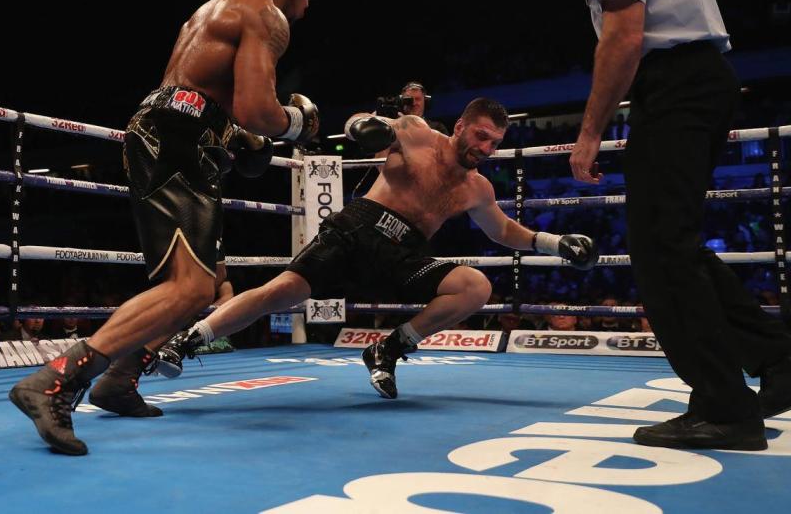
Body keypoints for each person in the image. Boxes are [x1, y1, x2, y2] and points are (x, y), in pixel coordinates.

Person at [9, 0, 321, 455]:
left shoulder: (219, 7)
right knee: (194, 289)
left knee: (208, 277)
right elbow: (254, 109)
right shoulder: (267, 15)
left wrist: (236, 139)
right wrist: (298, 123)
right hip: (178, 142)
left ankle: (120, 378)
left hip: (171, 131)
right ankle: (56, 381)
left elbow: (203, 97)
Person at [544, 0, 791, 450]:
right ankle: (777, 358)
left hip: (678, 84)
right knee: (673, 243)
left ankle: (723, 406)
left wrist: (590, 132)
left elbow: (624, 37)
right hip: (696, 83)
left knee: (659, 252)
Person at [156, 98, 598, 399]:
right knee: (283, 291)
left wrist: (556, 243)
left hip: (403, 256)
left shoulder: (477, 188)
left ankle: (388, 349)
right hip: (357, 231)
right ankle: (189, 340)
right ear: (461, 126)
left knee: (474, 286)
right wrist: (362, 128)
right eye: (480, 136)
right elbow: (362, 124)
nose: (485, 148)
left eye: (495, 143)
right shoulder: (419, 135)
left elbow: (502, 231)